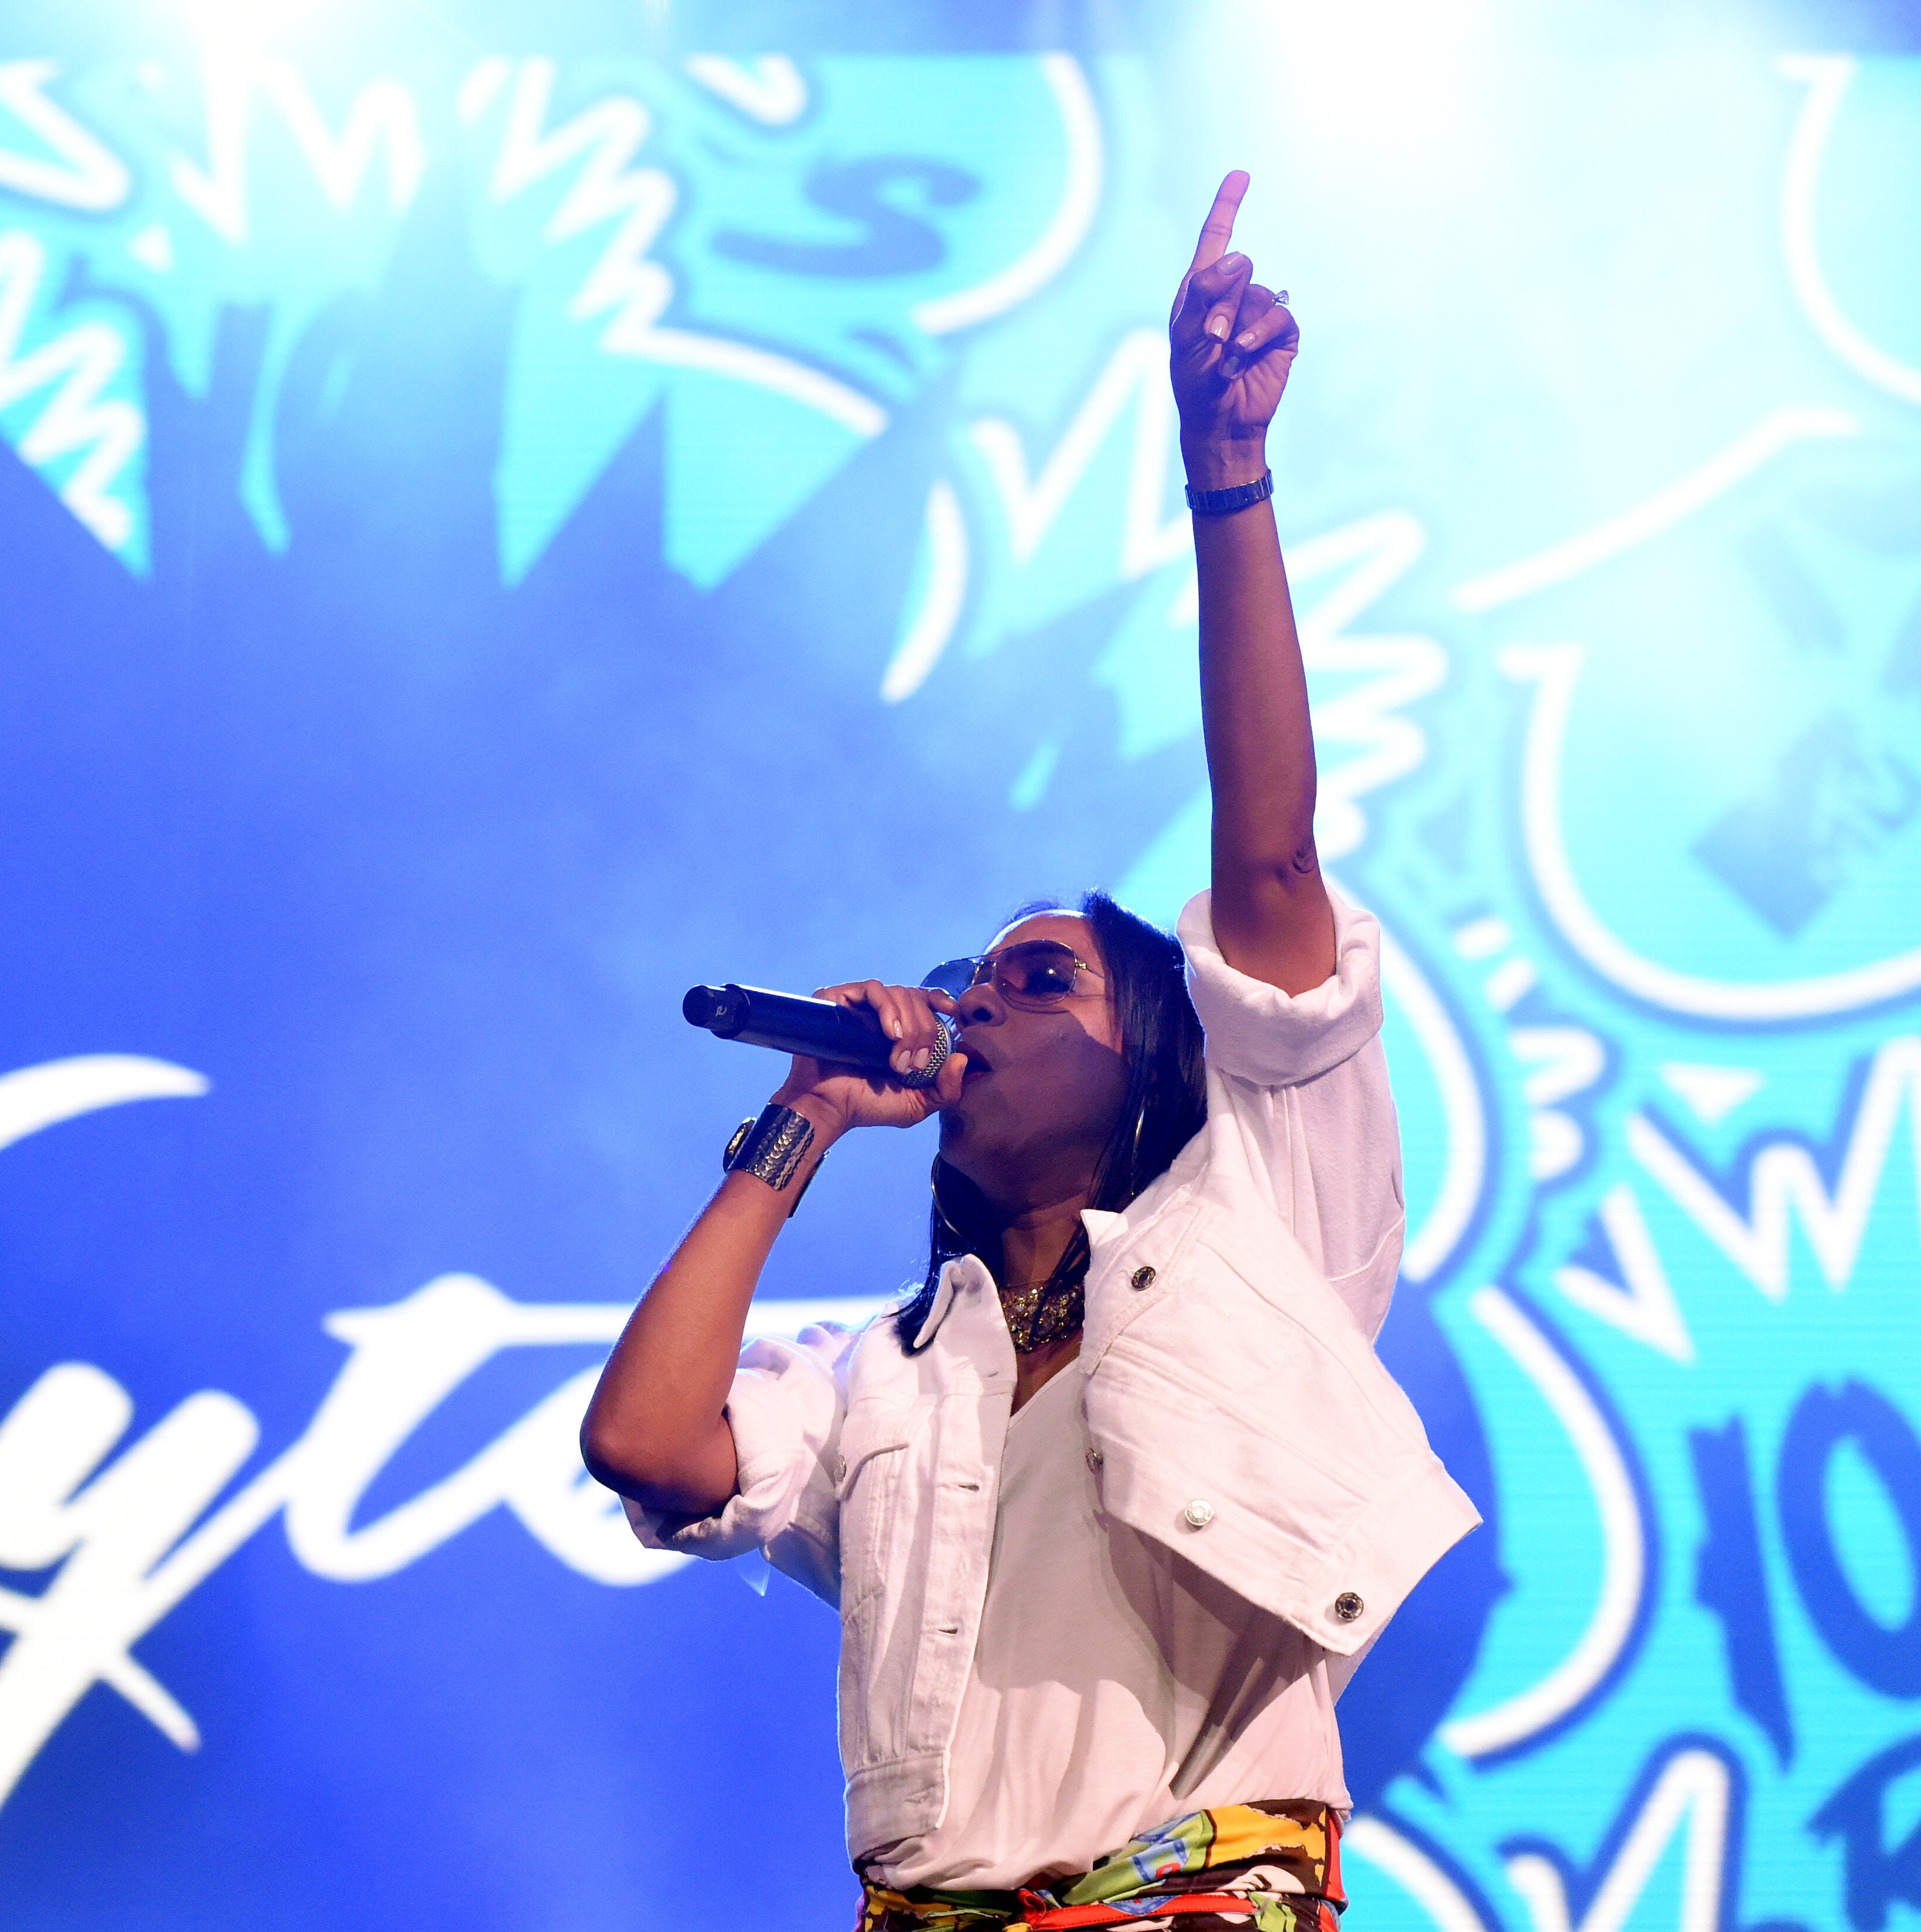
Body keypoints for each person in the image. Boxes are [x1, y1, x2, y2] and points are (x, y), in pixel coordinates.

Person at [580, 173, 1480, 1932]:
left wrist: (1228, 477)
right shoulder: (892, 1379)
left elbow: (1273, 864)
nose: (975, 1004)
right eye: (967, 979)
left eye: (1038, 980)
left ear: (1155, 1062)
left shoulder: (1261, 1231)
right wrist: (803, 1117)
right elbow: (647, 1443)